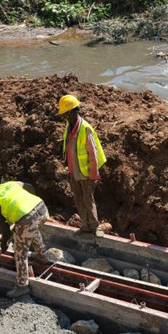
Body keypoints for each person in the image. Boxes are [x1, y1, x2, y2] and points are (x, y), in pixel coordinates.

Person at [0, 175, 49, 298]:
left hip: (27, 219)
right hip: (42, 208)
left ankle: (22, 286)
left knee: (20, 251)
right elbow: (28, 186)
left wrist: (4, 244)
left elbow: (5, 229)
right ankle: (42, 255)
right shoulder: (9, 184)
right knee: (31, 229)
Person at [58, 94, 107, 238]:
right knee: (79, 199)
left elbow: (93, 153)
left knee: (88, 199)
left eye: (66, 114)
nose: (65, 117)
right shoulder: (69, 125)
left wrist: (93, 174)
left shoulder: (85, 129)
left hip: (86, 172)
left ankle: (95, 227)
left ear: (73, 111)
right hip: (74, 171)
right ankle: (85, 226)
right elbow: (67, 145)